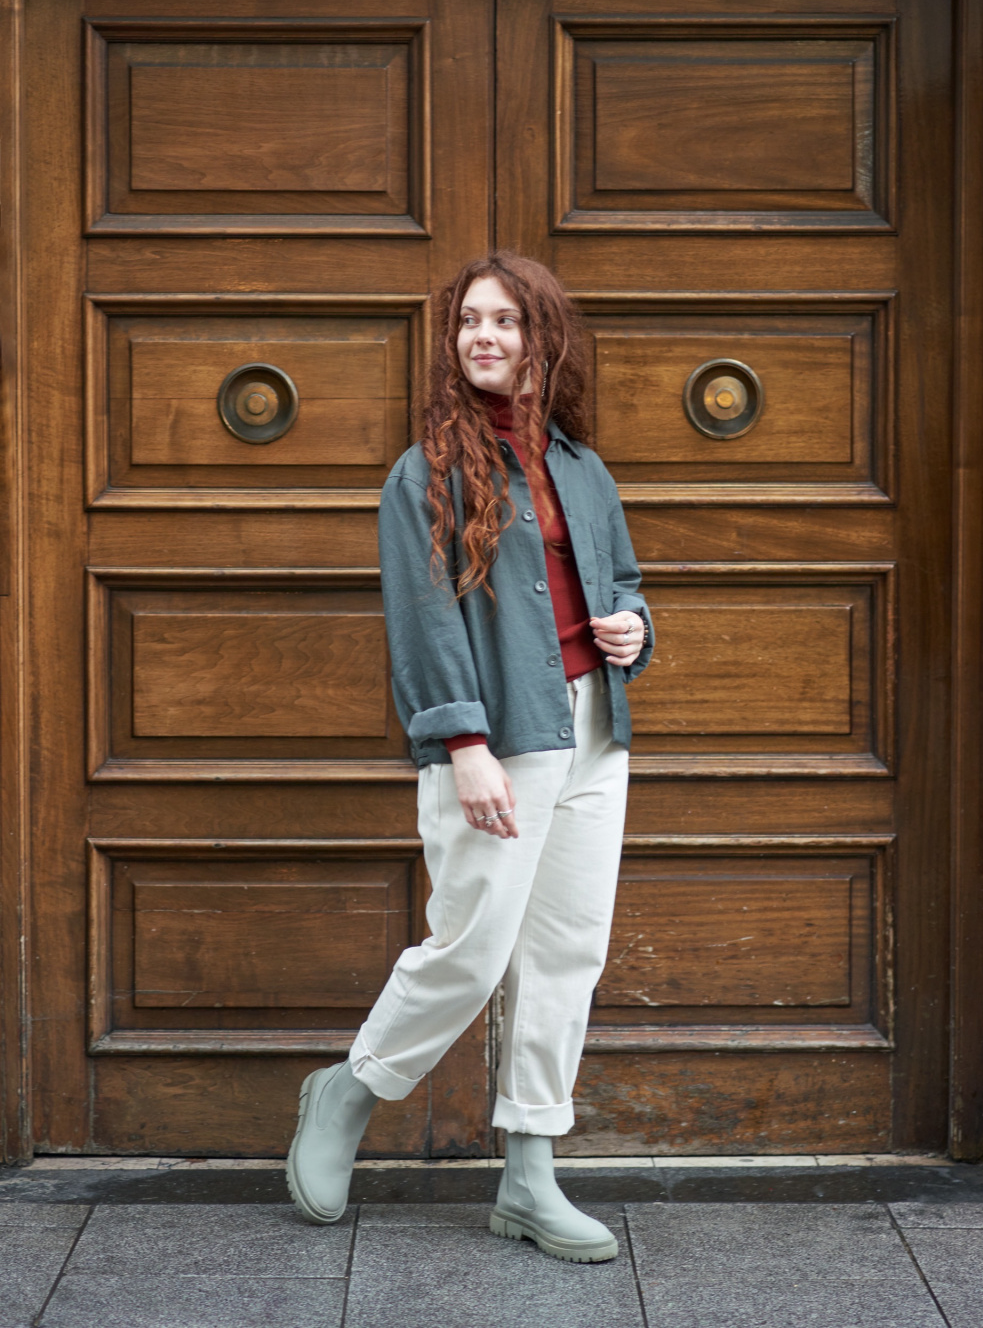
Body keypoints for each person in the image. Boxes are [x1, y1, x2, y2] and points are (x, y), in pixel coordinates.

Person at [286, 251, 654, 1263]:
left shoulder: (578, 464)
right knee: (471, 945)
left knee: (564, 954)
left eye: (505, 320)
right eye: (468, 322)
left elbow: (621, 584)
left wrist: (632, 628)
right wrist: (464, 745)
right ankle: (350, 1086)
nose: (483, 336)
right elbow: (422, 622)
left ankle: (530, 1174)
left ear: (545, 337)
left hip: (592, 731)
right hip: (495, 741)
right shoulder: (425, 472)